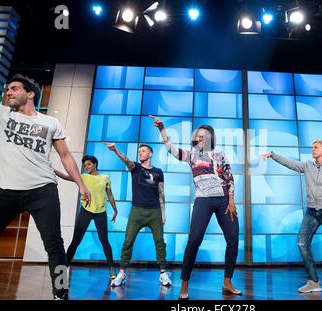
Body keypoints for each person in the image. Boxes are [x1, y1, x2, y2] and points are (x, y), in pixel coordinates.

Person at [0, 74, 91, 300]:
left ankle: (61, 293)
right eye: (7, 90)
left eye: (14, 89)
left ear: (30, 94)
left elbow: (65, 155)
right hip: (7, 191)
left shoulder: (50, 122)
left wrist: (81, 185)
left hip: (43, 191)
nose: (9, 92)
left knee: (55, 244)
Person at [150, 115, 240, 300]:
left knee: (233, 239)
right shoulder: (191, 155)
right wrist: (162, 129)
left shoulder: (219, 155)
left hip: (223, 200)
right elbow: (171, 149)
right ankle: (184, 284)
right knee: (194, 241)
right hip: (203, 200)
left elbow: (230, 178)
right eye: (198, 135)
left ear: (210, 137)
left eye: (203, 135)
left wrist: (231, 200)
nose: (200, 138)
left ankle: (227, 282)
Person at [262, 140, 322, 293]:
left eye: (316, 147)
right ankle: (313, 282)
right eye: (312, 147)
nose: (312, 149)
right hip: (312, 211)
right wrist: (273, 155)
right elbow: (290, 164)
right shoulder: (308, 166)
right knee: (302, 242)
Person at [104, 142, 172, 288]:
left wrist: (163, 213)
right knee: (128, 241)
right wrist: (116, 150)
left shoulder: (159, 172)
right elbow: (126, 160)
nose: (140, 153)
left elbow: (161, 193)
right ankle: (122, 273)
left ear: (150, 153)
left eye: (143, 151)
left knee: (160, 242)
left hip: (154, 211)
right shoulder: (135, 168)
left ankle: (163, 273)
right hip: (137, 211)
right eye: (139, 151)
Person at [55, 155, 117, 279]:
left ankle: (112, 271)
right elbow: (66, 177)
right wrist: (54, 170)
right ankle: (63, 270)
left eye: (88, 164)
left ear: (95, 164)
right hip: (86, 211)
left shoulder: (105, 178)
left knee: (105, 241)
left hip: (101, 212)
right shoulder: (82, 177)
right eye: (84, 165)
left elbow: (110, 195)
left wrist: (115, 210)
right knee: (75, 241)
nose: (86, 167)